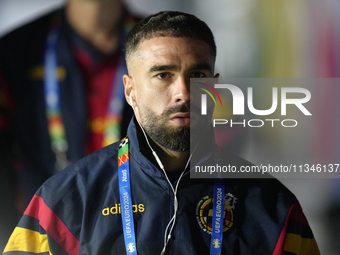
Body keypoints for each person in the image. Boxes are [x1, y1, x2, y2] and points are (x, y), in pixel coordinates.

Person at [3, 11, 320, 255]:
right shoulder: (64, 202)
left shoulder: (272, 206)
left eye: (197, 74)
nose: (183, 92)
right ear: (131, 91)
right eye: (163, 75)